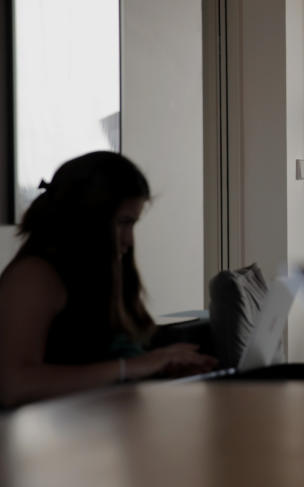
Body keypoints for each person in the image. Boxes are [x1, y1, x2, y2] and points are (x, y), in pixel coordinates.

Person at [0, 152, 217, 407]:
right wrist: (132, 367)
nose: (129, 241)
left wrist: (158, 370)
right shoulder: (33, 277)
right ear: (88, 218)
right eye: (123, 223)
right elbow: (14, 386)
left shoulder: (95, 274)